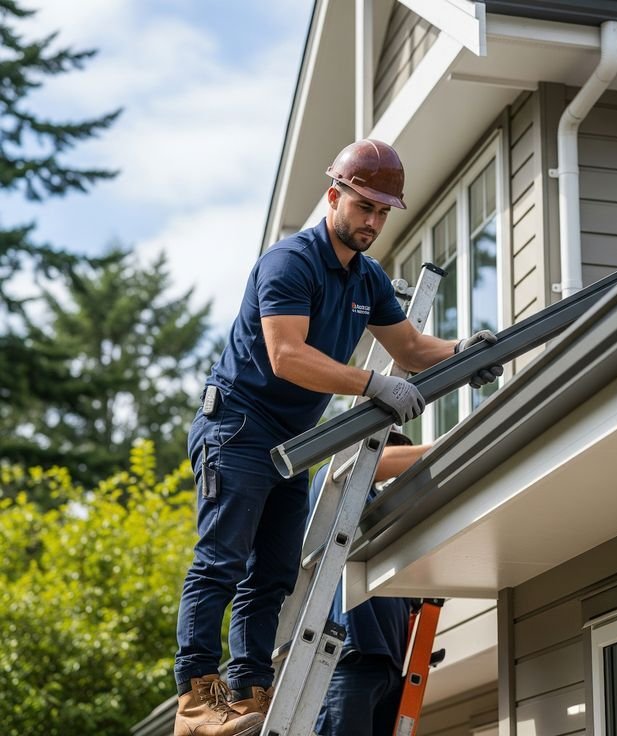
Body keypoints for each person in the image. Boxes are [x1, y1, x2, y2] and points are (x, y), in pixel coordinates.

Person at [172, 139, 503, 736]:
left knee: (272, 574)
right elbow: (286, 356)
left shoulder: (365, 278)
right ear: (334, 196)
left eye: (382, 212)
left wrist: (462, 352)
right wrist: (372, 383)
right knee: (222, 560)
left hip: (292, 446)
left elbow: (409, 348)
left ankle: (247, 693)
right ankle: (197, 701)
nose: (373, 222)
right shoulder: (291, 263)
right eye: (363, 207)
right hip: (238, 428)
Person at [309, 427, 432, 736]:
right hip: (348, 657)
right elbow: (374, 462)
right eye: (394, 447)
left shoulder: (383, 507)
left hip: (390, 665)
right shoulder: (336, 481)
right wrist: (444, 446)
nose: (399, 458)